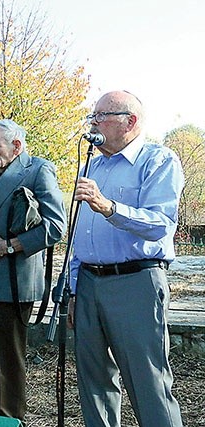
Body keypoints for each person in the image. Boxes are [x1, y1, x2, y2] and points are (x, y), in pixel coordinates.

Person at [68, 91, 184, 427]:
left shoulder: (158, 161)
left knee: (148, 382)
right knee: (94, 384)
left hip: (135, 281)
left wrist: (109, 208)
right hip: (89, 283)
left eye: (101, 115)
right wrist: (75, 288)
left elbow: (160, 225)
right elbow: (81, 232)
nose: (92, 122)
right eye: (92, 116)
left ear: (129, 122)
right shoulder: (93, 163)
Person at [0, 119, 66, 424]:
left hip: (11, 283)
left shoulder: (37, 171)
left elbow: (54, 227)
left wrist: (9, 246)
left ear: (16, 146)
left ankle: (5, 423)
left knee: (5, 365)